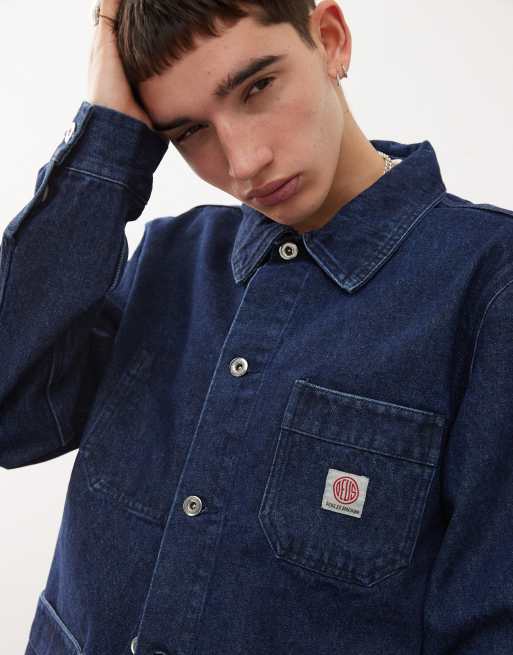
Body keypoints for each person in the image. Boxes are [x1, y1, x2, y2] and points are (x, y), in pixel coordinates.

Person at [2, 0, 513, 653]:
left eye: (257, 87)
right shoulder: (167, 260)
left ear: (330, 39)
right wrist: (108, 135)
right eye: (190, 130)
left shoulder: (486, 285)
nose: (243, 163)